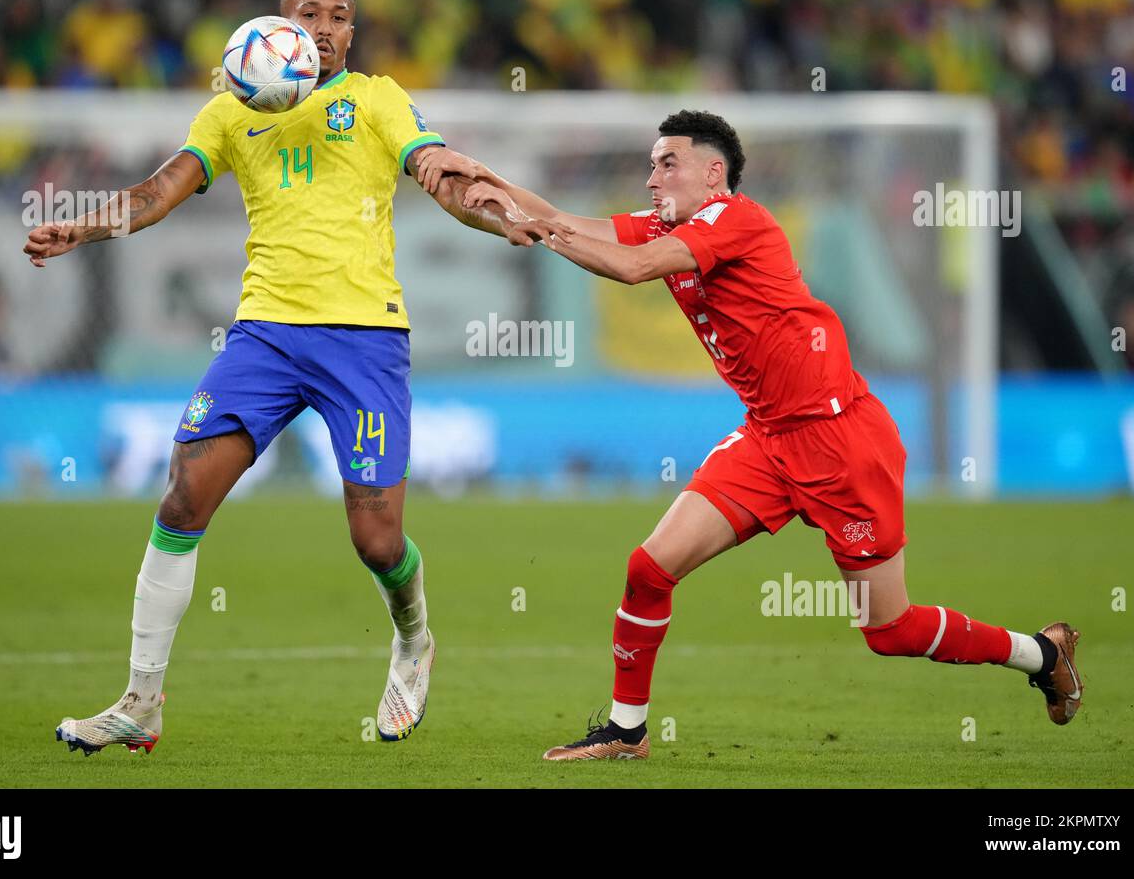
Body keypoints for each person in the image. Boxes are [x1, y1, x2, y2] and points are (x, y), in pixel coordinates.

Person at [24, 0, 549, 754]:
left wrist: (489, 208)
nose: (327, 29)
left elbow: (436, 172)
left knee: (376, 539)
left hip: (364, 339)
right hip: (264, 335)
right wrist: (82, 224)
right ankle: (141, 700)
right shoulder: (231, 113)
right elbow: (158, 191)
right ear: (277, 23)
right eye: (310, 13)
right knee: (181, 500)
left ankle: (413, 638)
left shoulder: (376, 99)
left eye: (341, 16)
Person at [453, 109, 1084, 760]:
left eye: (666, 163)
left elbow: (633, 267)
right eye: (649, 164)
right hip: (768, 439)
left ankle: (1039, 653)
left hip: (841, 442)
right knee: (649, 567)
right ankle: (626, 729)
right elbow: (564, 219)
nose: (650, 178)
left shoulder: (734, 219)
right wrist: (489, 182)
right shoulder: (672, 223)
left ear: (713, 172)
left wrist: (536, 230)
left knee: (889, 628)